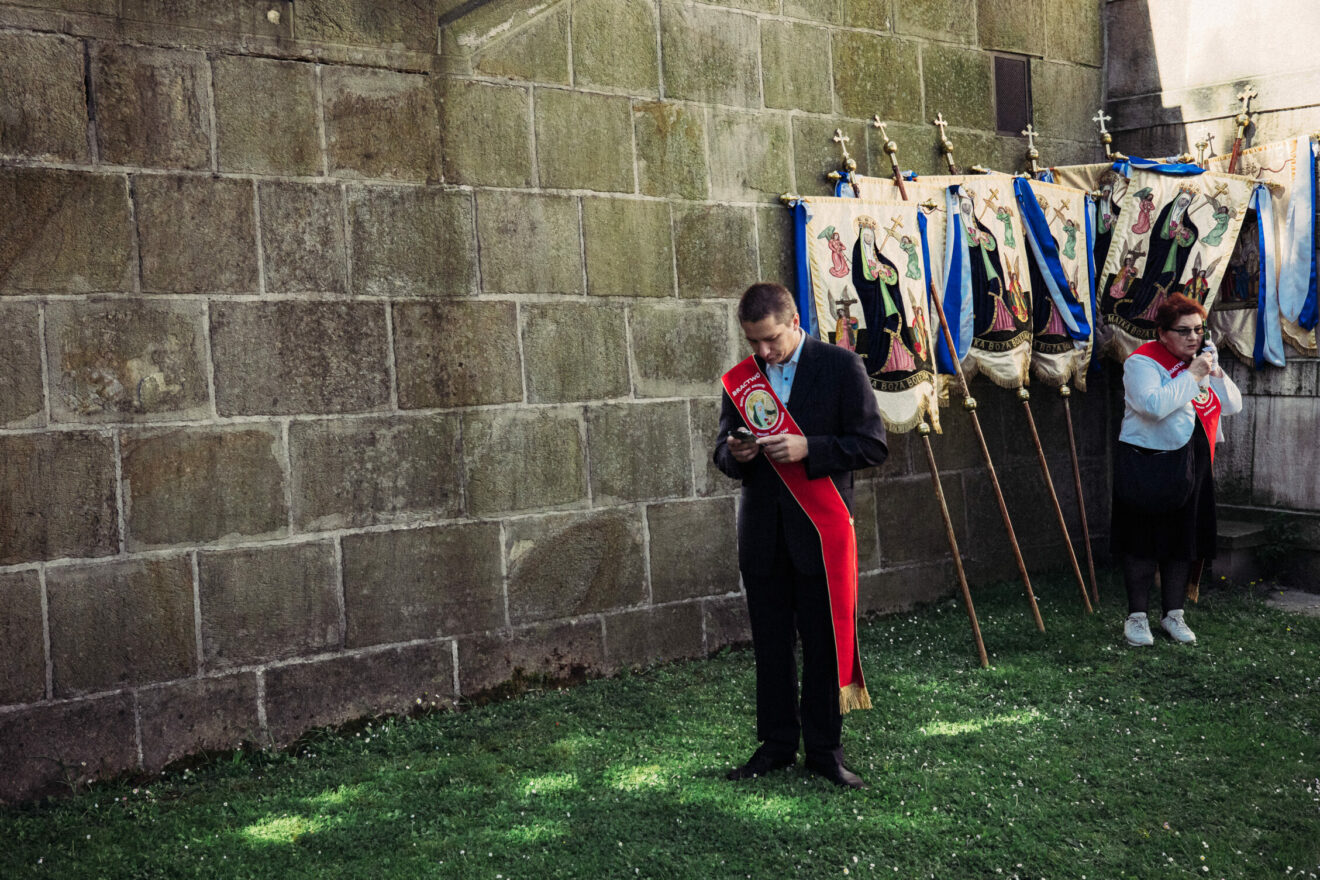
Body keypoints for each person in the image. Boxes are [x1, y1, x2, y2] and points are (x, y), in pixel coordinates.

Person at [713, 282, 888, 789]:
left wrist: (809, 447)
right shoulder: (742, 381)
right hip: (763, 534)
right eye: (753, 343)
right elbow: (721, 452)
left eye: (770, 340)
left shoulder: (840, 366)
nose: (762, 352)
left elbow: (871, 445)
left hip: (820, 532)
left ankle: (825, 752)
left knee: (822, 644)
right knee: (770, 646)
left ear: (793, 320)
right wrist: (735, 454)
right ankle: (775, 744)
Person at [1111, 293, 1242, 646]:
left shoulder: (1199, 360)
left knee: (1183, 540)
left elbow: (1232, 405)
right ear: (1162, 332)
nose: (1193, 338)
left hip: (1194, 459)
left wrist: (1212, 371)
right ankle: (1137, 618)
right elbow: (1153, 406)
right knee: (1143, 541)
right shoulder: (1142, 362)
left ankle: (1174, 615)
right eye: (1183, 331)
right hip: (1148, 462)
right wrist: (1191, 374)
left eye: (1199, 330)